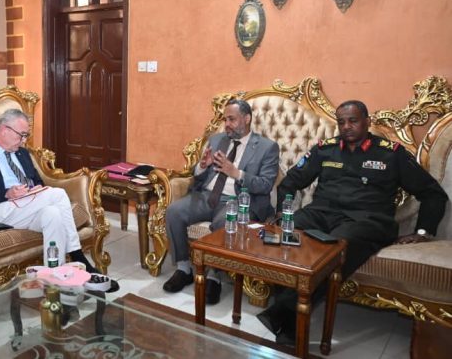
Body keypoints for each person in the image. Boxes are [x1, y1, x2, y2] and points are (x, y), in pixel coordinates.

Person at [258, 100, 449, 346]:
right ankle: (291, 322)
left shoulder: (391, 153)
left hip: (368, 219)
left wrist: (422, 231)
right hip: (322, 213)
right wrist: (283, 214)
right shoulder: (325, 150)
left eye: (353, 121)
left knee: (337, 246)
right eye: (341, 122)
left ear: (367, 122)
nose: (346, 126)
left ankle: (282, 311)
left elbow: (432, 193)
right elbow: (290, 182)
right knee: (282, 234)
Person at [0, 108, 118, 291]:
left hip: (25, 207)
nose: (24, 140)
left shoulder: (22, 154)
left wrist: (36, 189)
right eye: (21, 135)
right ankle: (77, 254)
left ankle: (55, 282)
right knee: (58, 194)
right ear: (4, 130)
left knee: (53, 214)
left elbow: (38, 182)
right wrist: (5, 193)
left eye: (26, 136)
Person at [163, 99, 280, 304]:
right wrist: (202, 166)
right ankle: (184, 268)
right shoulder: (217, 140)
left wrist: (236, 173)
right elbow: (198, 176)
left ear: (247, 119)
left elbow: (265, 185)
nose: (227, 124)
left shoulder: (267, 147)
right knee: (174, 211)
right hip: (207, 196)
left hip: (238, 200)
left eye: (232, 119)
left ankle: (214, 276)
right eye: (225, 119)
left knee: (223, 223)